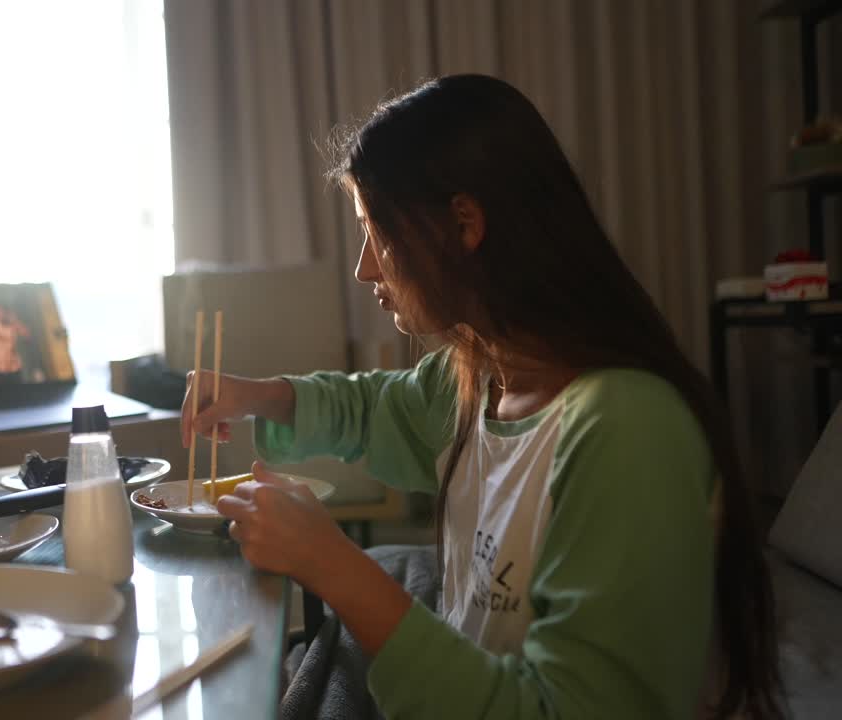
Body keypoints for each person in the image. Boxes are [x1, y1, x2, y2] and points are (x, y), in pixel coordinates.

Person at [181, 75, 782, 719]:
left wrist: (336, 567)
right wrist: (258, 397)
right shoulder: (480, 377)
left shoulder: (628, 430)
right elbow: (374, 410)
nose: (365, 267)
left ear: (464, 222)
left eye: (376, 231)